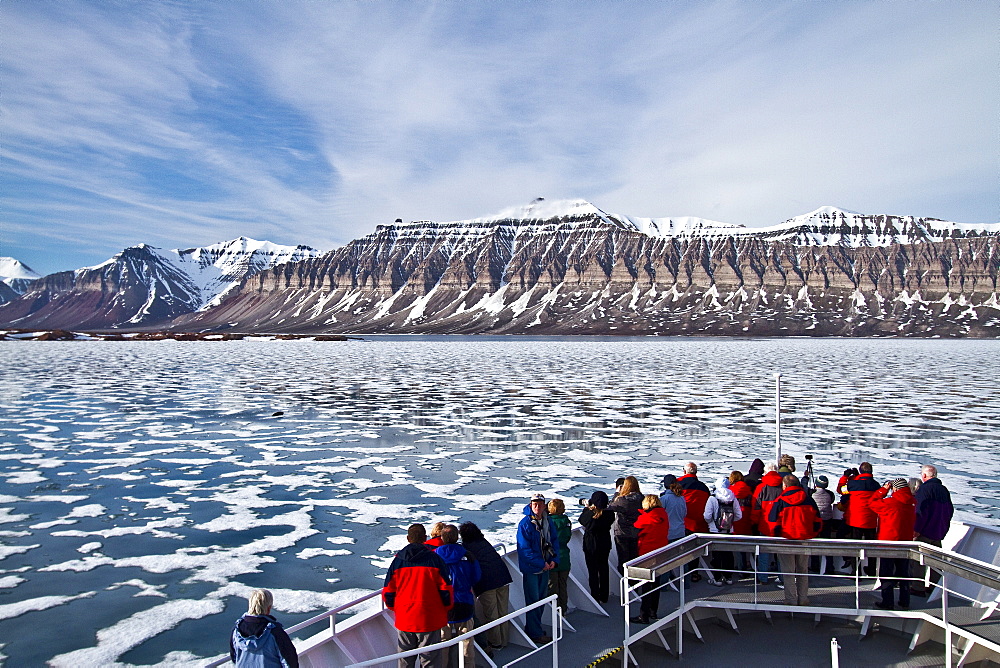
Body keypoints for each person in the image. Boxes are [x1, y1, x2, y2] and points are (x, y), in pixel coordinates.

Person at [383, 524, 453, 668]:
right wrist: (445, 608)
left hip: (405, 618)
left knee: (405, 659)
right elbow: (446, 590)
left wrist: (397, 608)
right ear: (425, 538)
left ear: (408, 539)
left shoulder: (397, 561)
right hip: (429, 618)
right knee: (430, 659)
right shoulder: (435, 560)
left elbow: (388, 591)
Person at [458, 522, 512, 656]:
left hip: (487, 582)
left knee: (492, 613)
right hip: (503, 577)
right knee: (503, 611)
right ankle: (504, 640)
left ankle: (496, 642)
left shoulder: (467, 547)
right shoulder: (484, 541)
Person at [768, 474, 822, 606]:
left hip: (786, 540)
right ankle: (803, 598)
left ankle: (791, 599)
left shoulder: (780, 501)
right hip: (804, 539)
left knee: (788, 572)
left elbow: (772, 522)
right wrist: (811, 534)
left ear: (784, 486)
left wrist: (777, 537)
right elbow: (818, 521)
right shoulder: (809, 500)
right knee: (803, 570)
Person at [435, 525, 481, 668]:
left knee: (443, 642)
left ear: (442, 538)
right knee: (467, 641)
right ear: (457, 538)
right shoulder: (468, 555)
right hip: (465, 603)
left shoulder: (435, 556)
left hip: (444, 604)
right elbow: (477, 577)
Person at [516, 493, 559, 645]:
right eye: (534, 504)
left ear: (544, 505)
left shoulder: (548, 521)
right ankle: (534, 633)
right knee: (533, 600)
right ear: (530, 504)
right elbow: (524, 550)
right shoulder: (525, 524)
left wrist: (554, 559)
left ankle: (535, 628)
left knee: (541, 599)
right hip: (532, 569)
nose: (537, 506)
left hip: (545, 567)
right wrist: (541, 563)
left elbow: (554, 540)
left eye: (540, 504)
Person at [870, 478, 916, 610]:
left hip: (888, 544)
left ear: (894, 489)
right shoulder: (912, 503)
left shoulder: (890, 503)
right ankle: (904, 601)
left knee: (886, 573)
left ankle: (888, 601)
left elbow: (872, 503)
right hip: (905, 543)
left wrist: (883, 490)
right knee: (904, 574)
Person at [912, 464, 954, 594]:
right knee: (936, 561)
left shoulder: (924, 490)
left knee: (918, 560)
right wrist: (944, 527)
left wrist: (916, 529)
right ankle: (934, 587)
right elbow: (950, 510)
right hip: (938, 532)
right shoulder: (944, 490)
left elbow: (920, 512)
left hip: (924, 532)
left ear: (924, 475)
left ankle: (917, 588)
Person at [230, 588, 299, 668]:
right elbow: (290, 662)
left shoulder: (236, 630)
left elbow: (235, 658)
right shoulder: (275, 632)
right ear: (268, 608)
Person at [631, 494, 670, 624]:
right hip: (660, 553)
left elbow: (636, 528)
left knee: (646, 585)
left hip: (647, 554)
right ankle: (653, 611)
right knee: (655, 583)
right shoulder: (663, 515)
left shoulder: (646, 518)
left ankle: (644, 615)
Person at [704, 476, 743, 585]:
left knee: (717, 554)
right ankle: (728, 577)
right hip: (728, 530)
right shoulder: (733, 498)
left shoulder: (712, 498)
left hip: (715, 531)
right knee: (727, 554)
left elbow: (707, 515)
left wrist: (711, 523)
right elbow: (739, 515)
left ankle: (717, 578)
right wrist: (729, 522)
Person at [844, 462, 880, 575]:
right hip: (871, 520)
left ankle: (855, 571)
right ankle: (872, 570)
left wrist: (846, 477)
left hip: (856, 520)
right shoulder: (876, 485)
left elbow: (842, 490)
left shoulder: (853, 484)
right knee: (871, 547)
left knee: (856, 547)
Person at [751, 463, 783, 584]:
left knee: (763, 553)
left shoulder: (761, 487)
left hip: (765, 525)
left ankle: (763, 578)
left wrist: (754, 522)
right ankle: (783, 577)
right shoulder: (783, 486)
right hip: (780, 525)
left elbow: (756, 508)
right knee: (781, 553)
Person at [579, 490, 615, 603]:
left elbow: (582, 520)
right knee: (603, 569)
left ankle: (595, 596)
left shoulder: (590, 515)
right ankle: (604, 596)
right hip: (604, 542)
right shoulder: (609, 514)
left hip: (591, 545)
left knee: (593, 571)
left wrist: (587, 507)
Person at [608, 476, 644, 573]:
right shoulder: (642, 498)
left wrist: (617, 493)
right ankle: (635, 583)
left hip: (622, 533)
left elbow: (610, 506)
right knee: (634, 559)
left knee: (623, 560)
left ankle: (625, 584)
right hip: (637, 531)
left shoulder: (622, 500)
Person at [547, 499, 572, 613]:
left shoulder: (548, 522)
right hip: (565, 557)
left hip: (552, 557)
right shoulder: (566, 521)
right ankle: (564, 609)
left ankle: (555, 611)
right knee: (563, 585)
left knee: (553, 586)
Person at [728, 470, 754, 578]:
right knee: (745, 545)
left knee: (736, 545)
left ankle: (739, 569)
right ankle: (747, 568)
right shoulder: (749, 490)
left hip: (735, 520)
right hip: (747, 519)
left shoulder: (730, 491)